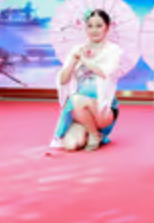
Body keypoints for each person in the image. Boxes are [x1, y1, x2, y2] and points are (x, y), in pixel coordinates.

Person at [52, 9, 122, 152]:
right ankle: (92, 132)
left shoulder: (113, 50)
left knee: (77, 99)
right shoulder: (78, 49)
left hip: (103, 109)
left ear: (107, 27)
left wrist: (85, 60)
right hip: (80, 111)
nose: (94, 30)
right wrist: (73, 61)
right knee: (71, 145)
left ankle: (94, 135)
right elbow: (63, 80)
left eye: (99, 26)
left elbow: (104, 72)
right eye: (90, 26)